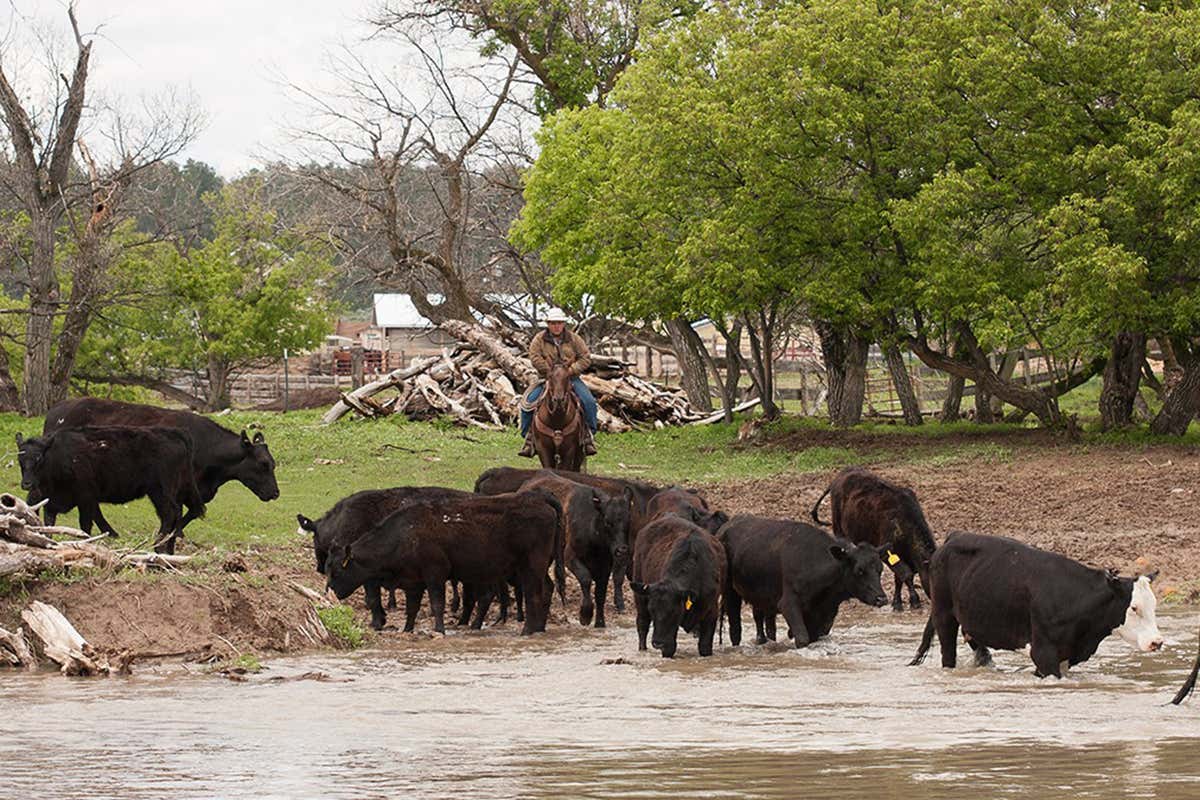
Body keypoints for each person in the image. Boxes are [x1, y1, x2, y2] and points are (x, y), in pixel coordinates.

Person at [519, 308, 598, 457]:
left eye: (559, 323)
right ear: (548, 324)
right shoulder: (539, 339)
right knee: (528, 403)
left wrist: (570, 371)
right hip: (546, 379)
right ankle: (529, 438)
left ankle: (588, 436)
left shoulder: (574, 339)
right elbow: (534, 357)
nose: (556, 326)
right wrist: (550, 372)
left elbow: (585, 358)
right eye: (553, 323)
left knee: (589, 402)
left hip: (571, 378)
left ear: (564, 324)